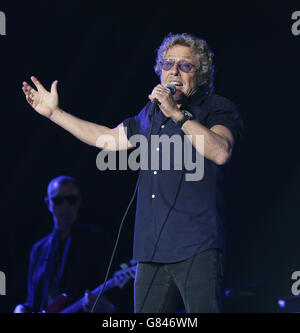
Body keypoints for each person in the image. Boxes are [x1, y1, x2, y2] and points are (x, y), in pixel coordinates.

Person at [22, 32, 243, 313]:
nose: (174, 70)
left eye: (185, 66)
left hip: (196, 248)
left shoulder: (215, 108)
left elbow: (220, 151)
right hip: (150, 253)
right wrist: (55, 114)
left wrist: (177, 115)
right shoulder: (150, 114)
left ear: (200, 75)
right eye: (167, 64)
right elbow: (108, 138)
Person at [13, 175, 115, 313]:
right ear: (48, 203)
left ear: (79, 202)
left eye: (71, 200)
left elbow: (109, 295)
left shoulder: (96, 241)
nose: (65, 206)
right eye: (58, 200)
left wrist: (108, 308)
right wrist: (20, 309)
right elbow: (32, 302)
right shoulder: (39, 249)